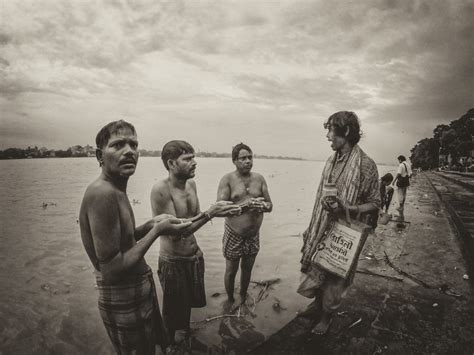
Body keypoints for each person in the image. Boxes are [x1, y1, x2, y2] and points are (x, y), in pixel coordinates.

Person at [79, 120, 192, 354]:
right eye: (118, 145)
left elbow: (122, 240)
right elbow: (111, 269)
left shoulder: (115, 189)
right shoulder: (102, 193)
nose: (129, 151)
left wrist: (151, 223)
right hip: (123, 298)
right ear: (99, 155)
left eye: (133, 144)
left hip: (136, 291)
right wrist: (157, 231)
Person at [150, 140, 241, 345]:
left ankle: (184, 338)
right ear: (172, 163)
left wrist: (219, 212)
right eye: (188, 159)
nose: (194, 162)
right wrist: (211, 213)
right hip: (173, 261)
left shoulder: (191, 184)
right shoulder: (161, 190)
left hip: (193, 256)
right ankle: (169, 346)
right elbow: (175, 232)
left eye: (194, 157)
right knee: (171, 311)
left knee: (187, 305)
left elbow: (196, 216)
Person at [299, 111, 380, 335]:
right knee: (318, 267)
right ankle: (317, 306)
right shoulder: (332, 161)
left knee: (336, 276)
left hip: (346, 231)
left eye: (330, 131)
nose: (327, 136)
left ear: (345, 132)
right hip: (322, 225)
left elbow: (375, 203)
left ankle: (326, 317)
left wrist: (348, 208)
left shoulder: (366, 164)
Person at [217, 143, 273, 308]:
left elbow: (270, 205)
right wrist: (245, 205)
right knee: (231, 270)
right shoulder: (227, 180)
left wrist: (263, 206)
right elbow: (220, 209)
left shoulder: (259, 179)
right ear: (234, 160)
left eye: (250, 157)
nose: (248, 161)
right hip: (234, 233)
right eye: (243, 158)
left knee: (247, 269)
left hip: (253, 234)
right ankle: (229, 299)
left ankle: (242, 295)